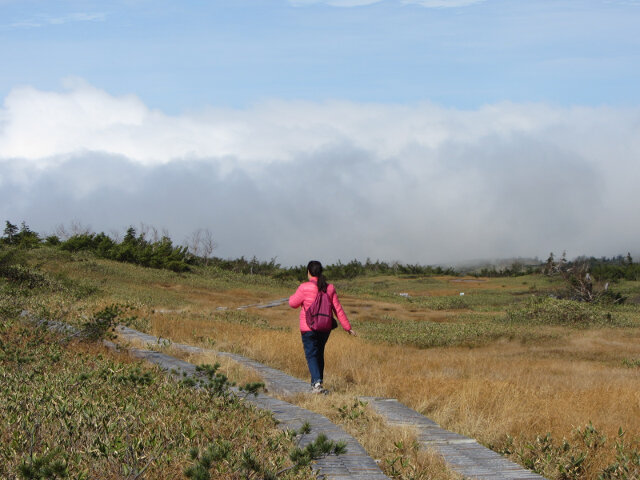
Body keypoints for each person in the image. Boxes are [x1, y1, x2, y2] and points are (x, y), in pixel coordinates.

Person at [289, 260, 356, 394]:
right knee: (319, 354)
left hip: (308, 328)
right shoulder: (329, 288)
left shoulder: (304, 287)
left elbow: (293, 303)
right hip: (325, 328)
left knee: (311, 355)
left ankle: (317, 384)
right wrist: (347, 327)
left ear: (308, 272)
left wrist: (293, 297)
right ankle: (317, 382)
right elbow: (338, 309)